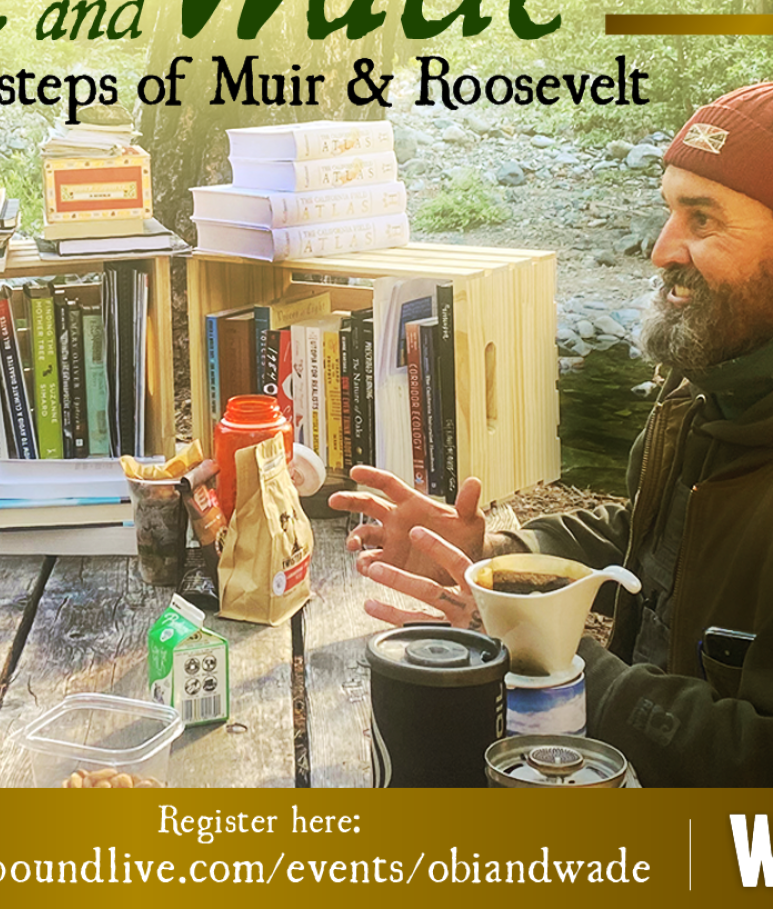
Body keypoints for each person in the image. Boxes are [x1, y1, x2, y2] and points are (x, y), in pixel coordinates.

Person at [331, 82, 773, 786]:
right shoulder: (706, 390)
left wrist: (562, 664)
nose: (661, 250)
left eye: (703, 220)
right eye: (668, 213)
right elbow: (658, 540)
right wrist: (501, 557)